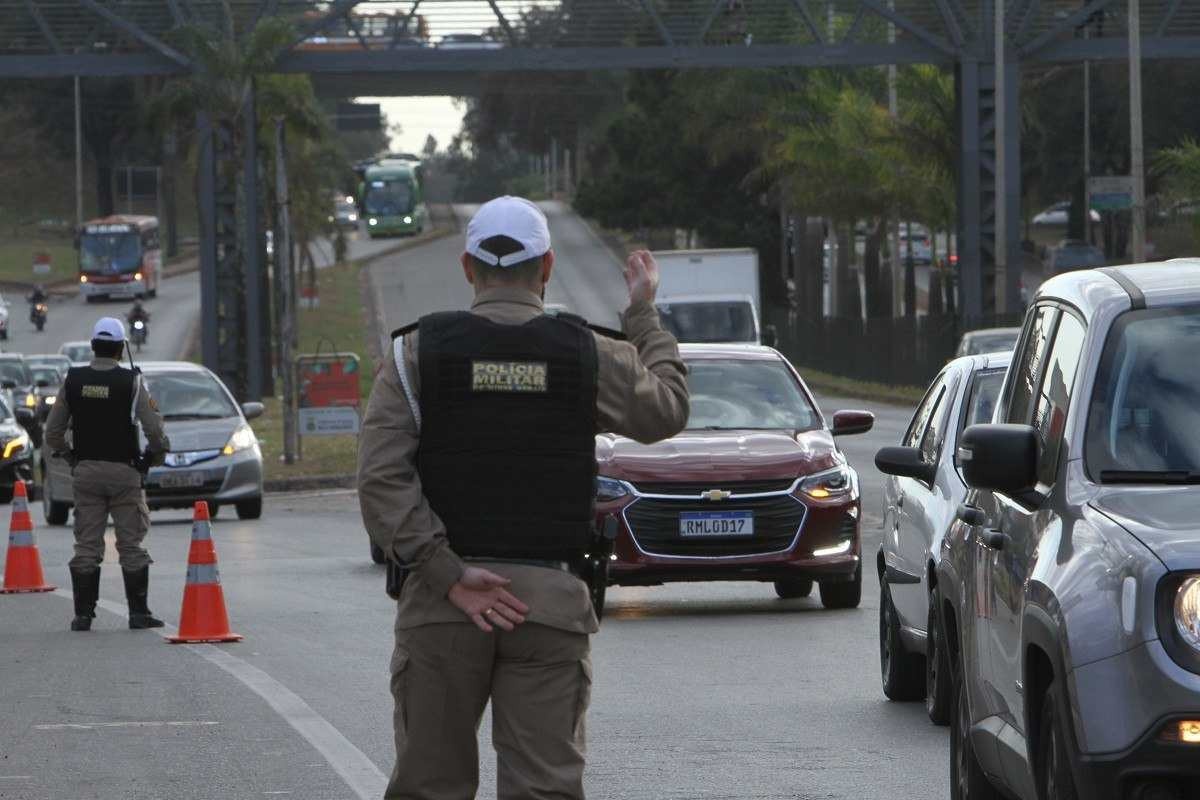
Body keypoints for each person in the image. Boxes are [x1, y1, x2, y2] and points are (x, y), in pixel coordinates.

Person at [358, 196, 690, 800]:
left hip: (443, 608)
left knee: (430, 787)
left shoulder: (414, 356)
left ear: (467, 267)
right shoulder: (588, 354)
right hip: (549, 607)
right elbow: (668, 409)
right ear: (547, 267)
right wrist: (642, 313)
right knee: (545, 790)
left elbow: (382, 482)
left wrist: (448, 573)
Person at [44, 317, 170, 632]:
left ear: (93, 346)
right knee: (131, 543)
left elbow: (53, 433)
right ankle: (138, 613)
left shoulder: (72, 381)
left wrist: (72, 457)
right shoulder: (133, 382)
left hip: (85, 473)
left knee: (87, 544)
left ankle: (83, 615)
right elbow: (154, 428)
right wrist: (155, 455)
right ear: (120, 348)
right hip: (125, 473)